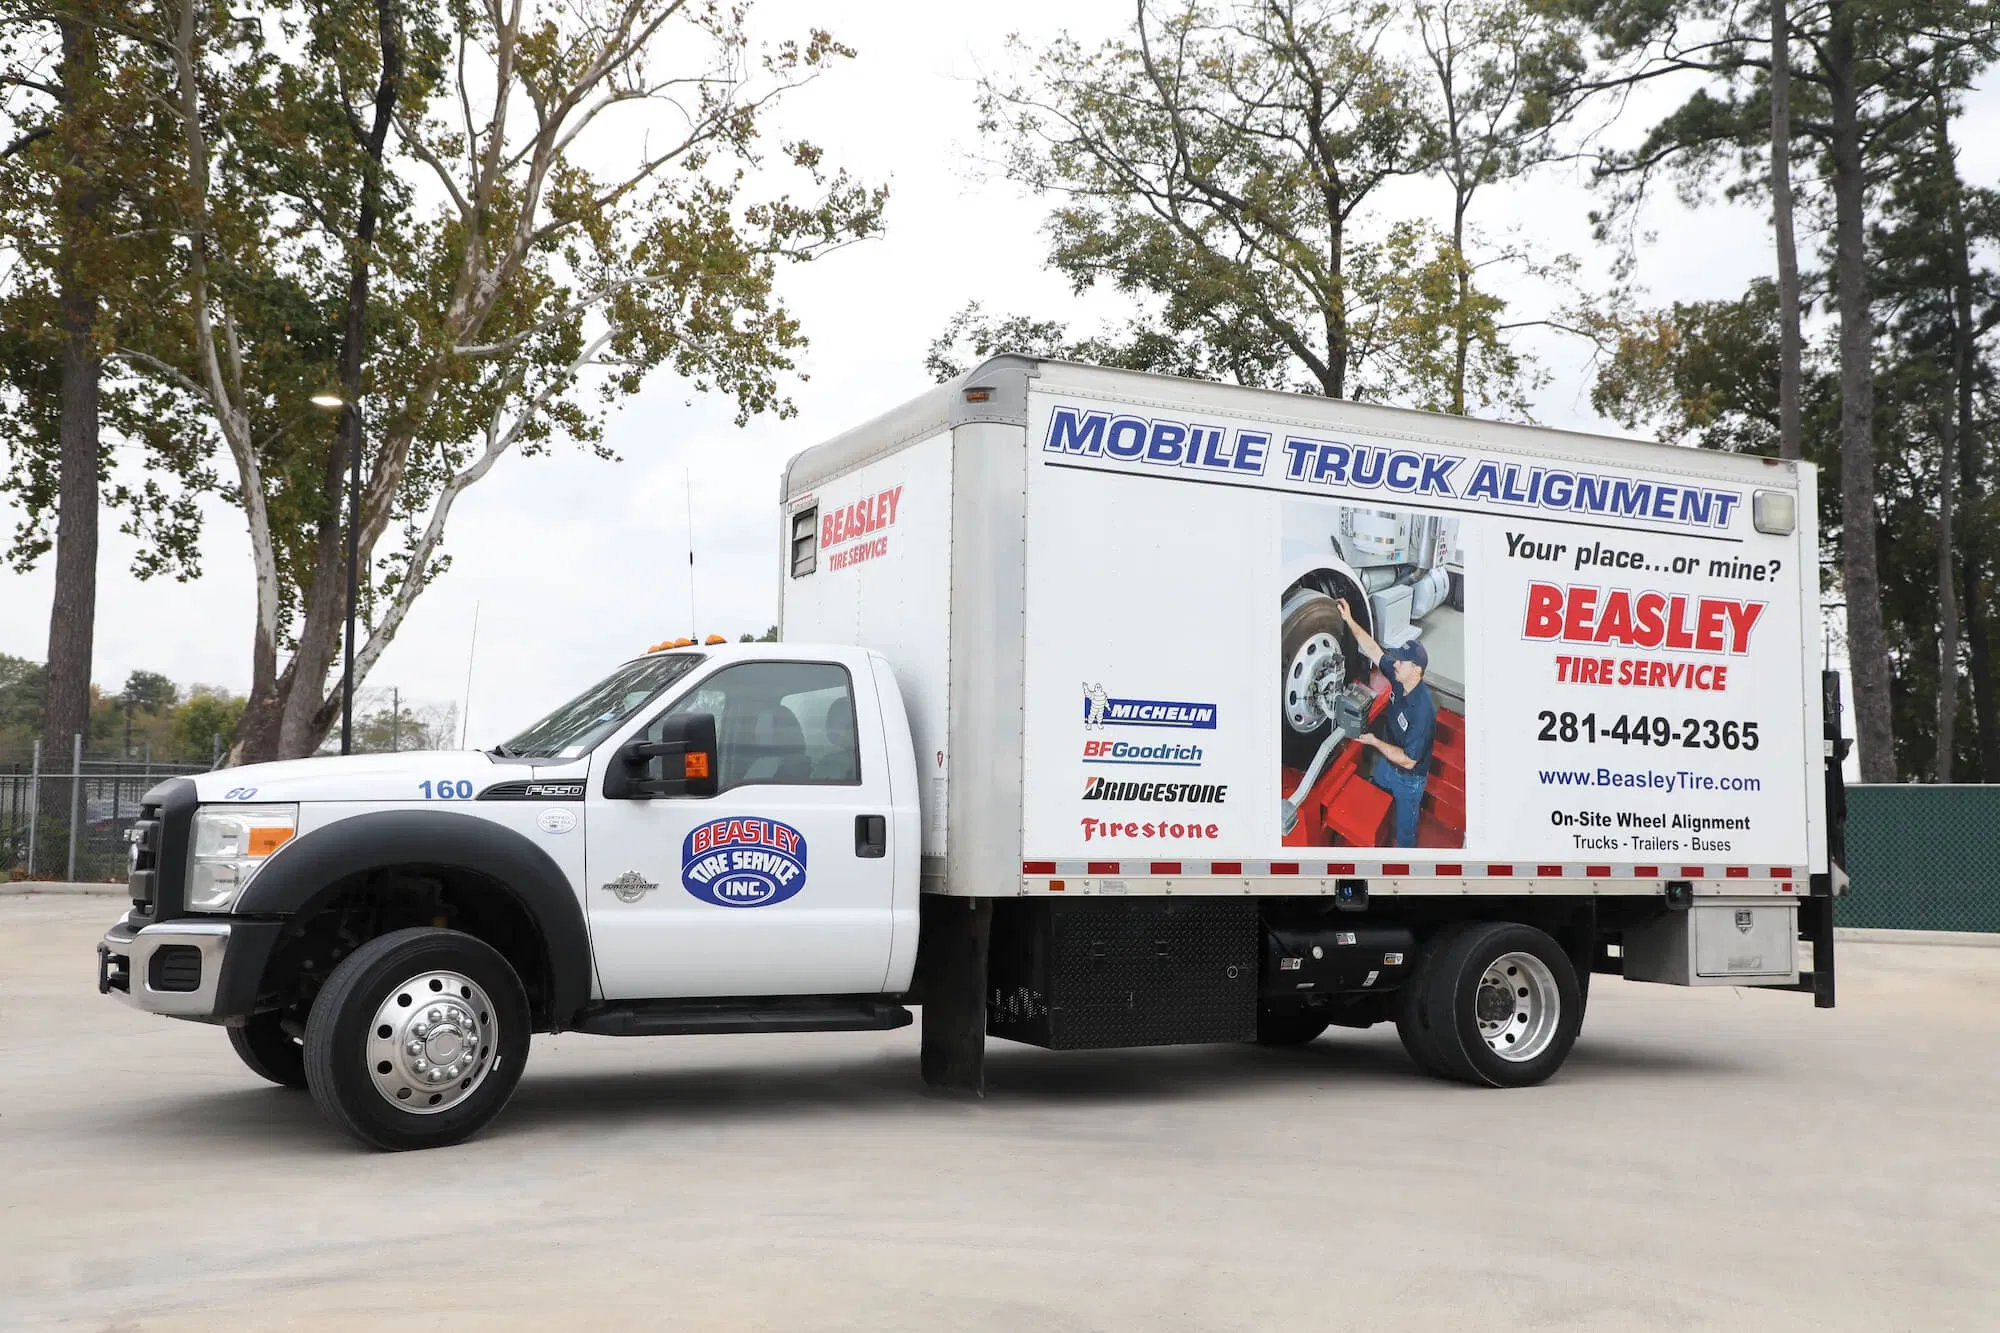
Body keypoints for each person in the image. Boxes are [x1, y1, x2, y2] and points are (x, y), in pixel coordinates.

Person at [1335, 599, 1436, 849]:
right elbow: (1374, 650)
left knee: (1405, 835)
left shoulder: (1423, 711)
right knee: (1374, 800)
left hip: (1409, 779)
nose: (1395, 663)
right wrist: (1349, 620)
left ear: (1417, 671)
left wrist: (1374, 741)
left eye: (1401, 662)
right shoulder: (1400, 676)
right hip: (1387, 766)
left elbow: (1408, 760)